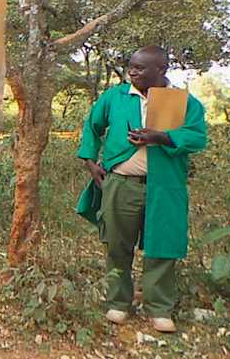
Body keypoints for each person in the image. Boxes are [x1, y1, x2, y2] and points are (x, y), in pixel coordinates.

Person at [74, 46, 207, 333]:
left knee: (163, 247)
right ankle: (118, 302)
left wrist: (162, 136)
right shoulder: (116, 97)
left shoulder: (181, 101)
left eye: (140, 67)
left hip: (165, 187)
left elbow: (198, 137)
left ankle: (159, 308)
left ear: (161, 70)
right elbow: (92, 126)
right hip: (121, 184)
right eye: (130, 65)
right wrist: (89, 161)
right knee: (117, 244)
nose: (132, 71)